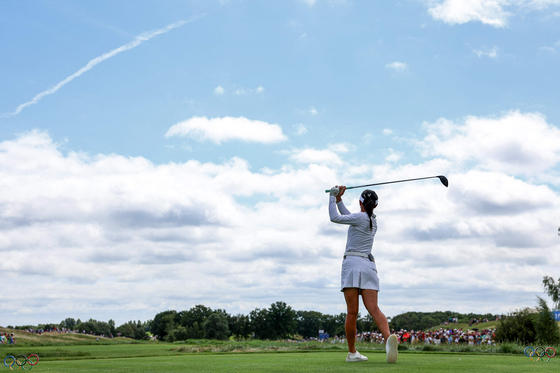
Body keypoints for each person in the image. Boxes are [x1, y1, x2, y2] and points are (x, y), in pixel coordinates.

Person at [329, 185, 398, 363]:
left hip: (352, 263)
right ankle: (388, 340)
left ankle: (352, 353)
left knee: (352, 312)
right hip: (368, 265)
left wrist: (331, 195)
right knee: (374, 308)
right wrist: (338, 199)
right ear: (374, 206)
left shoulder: (359, 217)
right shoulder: (372, 221)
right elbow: (348, 215)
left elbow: (335, 218)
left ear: (360, 202)